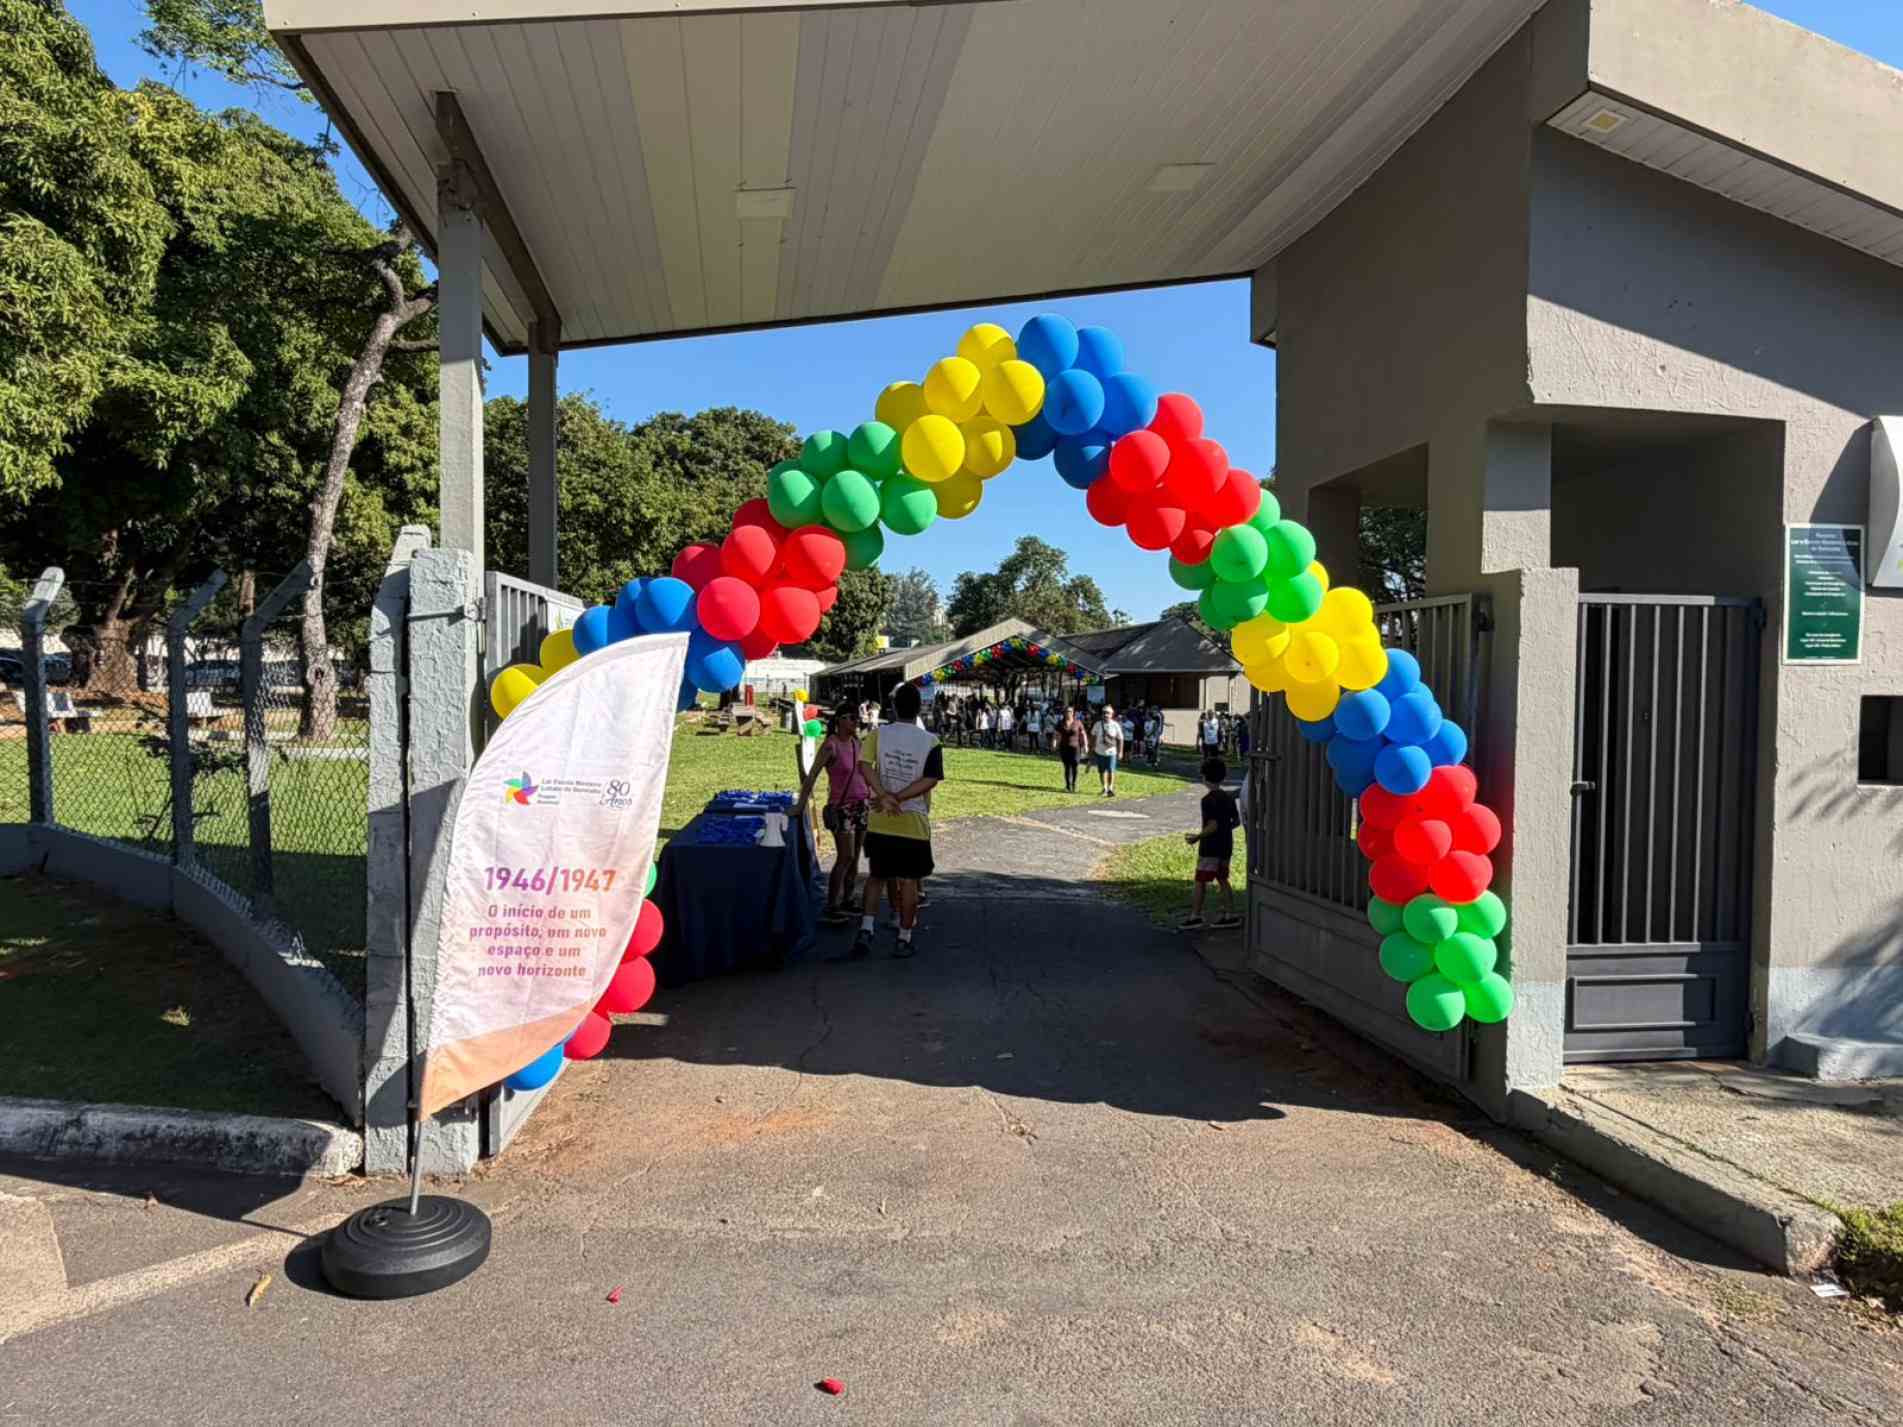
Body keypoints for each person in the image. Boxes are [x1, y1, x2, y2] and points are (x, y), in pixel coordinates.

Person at [847, 682, 943, 960]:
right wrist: (899, 797)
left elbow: (865, 766)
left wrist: (884, 796)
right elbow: (930, 779)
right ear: (919, 708)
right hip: (913, 821)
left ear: (893, 707)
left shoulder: (879, 734)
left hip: (881, 819)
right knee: (910, 882)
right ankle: (904, 937)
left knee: (877, 877)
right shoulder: (931, 741)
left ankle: (866, 929)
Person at [795, 708, 869, 925]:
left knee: (856, 855)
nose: (856, 721)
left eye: (857, 718)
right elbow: (812, 777)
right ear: (839, 720)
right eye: (852, 717)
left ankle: (848, 898)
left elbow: (865, 772)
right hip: (841, 807)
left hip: (861, 803)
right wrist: (800, 805)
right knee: (844, 856)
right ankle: (831, 904)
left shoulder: (858, 743)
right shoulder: (831, 745)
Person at [1181, 756, 1242, 931]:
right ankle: (1230, 914)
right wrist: (1225, 829)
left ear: (1204, 777)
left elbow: (1212, 825)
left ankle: (1195, 915)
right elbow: (1236, 821)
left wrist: (1197, 837)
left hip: (1210, 847)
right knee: (1223, 879)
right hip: (1226, 845)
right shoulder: (1228, 797)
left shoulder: (1207, 800)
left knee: (1200, 880)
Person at [1092, 702, 1125, 798]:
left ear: (1112, 714)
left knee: (1111, 770)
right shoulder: (1097, 724)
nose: (1106, 715)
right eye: (1104, 713)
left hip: (1112, 752)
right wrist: (1092, 748)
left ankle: (1110, 788)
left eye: (1108, 713)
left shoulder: (1115, 725)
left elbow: (1120, 739)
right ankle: (1104, 788)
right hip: (1100, 751)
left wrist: (1120, 752)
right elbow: (1093, 736)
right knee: (1101, 771)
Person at [1056, 703, 1087, 792]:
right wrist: (1054, 742)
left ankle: (1074, 784)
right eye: (1066, 711)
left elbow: (1083, 734)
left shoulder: (1078, 722)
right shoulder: (1060, 723)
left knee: (1075, 766)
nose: (1068, 713)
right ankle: (1068, 786)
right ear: (1064, 713)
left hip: (1076, 748)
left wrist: (1085, 745)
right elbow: (1056, 734)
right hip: (1064, 747)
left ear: (1073, 713)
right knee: (1067, 767)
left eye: (1069, 711)